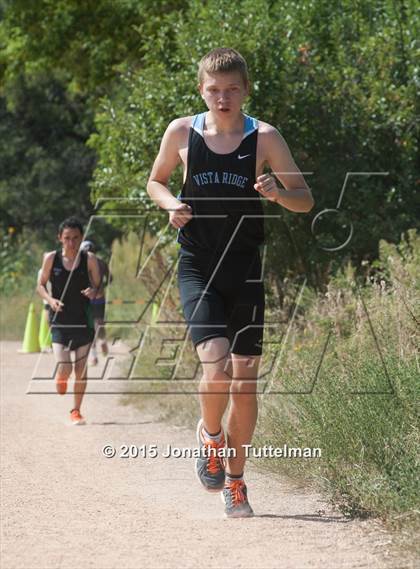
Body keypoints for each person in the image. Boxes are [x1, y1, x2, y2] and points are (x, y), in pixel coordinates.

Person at [147, 47, 314, 517]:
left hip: (246, 270)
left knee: (245, 383)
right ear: (202, 89)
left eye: (232, 90)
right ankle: (211, 436)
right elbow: (155, 181)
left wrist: (279, 194)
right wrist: (169, 205)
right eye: (214, 90)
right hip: (198, 265)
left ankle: (236, 483)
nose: (223, 98)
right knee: (216, 368)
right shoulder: (182, 132)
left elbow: (305, 199)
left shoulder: (264, 138)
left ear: (244, 91)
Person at [37, 217, 101, 425]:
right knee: (64, 366)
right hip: (59, 320)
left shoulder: (89, 259)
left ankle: (76, 411)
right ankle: (61, 377)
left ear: (81, 238)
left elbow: (99, 287)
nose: (71, 243)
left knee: (81, 369)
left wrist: (94, 291)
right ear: (60, 238)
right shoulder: (51, 259)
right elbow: (40, 285)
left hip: (83, 320)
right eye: (67, 238)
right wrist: (50, 300)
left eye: (75, 238)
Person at [80, 240, 111, 366]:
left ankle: (93, 356)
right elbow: (110, 278)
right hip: (99, 297)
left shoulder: (81, 264)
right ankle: (102, 340)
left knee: (89, 327)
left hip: (86, 297)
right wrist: (102, 286)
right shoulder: (102, 263)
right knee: (99, 322)